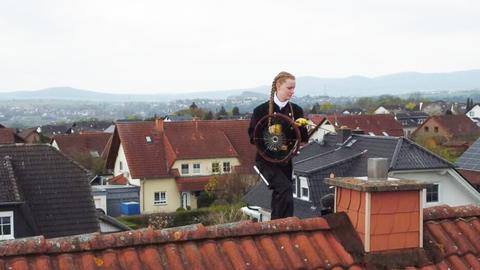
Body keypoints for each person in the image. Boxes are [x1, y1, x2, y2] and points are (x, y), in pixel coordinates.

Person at [248, 71, 308, 219]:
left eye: (294, 88)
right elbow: (252, 136)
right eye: (289, 88)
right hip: (266, 161)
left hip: (285, 162)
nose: (292, 92)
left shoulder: (297, 111)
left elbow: (304, 138)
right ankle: (282, 226)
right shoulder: (261, 111)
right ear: (278, 86)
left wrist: (301, 126)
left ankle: (280, 224)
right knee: (284, 188)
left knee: (283, 194)